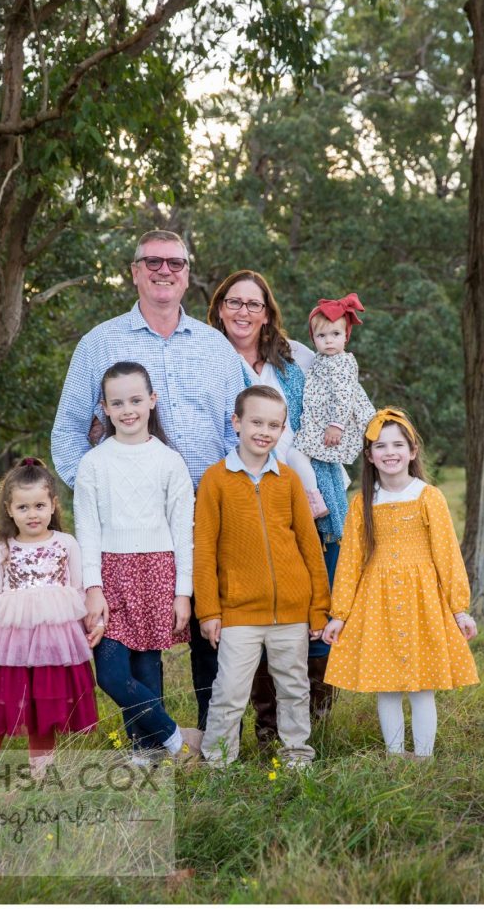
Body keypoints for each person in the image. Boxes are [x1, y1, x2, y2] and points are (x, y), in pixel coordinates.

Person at [52, 230, 244, 730]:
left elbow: (235, 430)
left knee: (211, 629)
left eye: (175, 263)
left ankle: (214, 740)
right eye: (152, 261)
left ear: (187, 274)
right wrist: (98, 491)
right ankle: (153, 742)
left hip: (206, 511)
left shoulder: (216, 347)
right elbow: (69, 429)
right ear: (134, 271)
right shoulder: (100, 343)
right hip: (124, 527)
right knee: (131, 642)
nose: (164, 270)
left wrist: (232, 501)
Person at [207, 270, 339, 740]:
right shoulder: (209, 357)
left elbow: (336, 396)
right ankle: (267, 726)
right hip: (245, 493)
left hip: (311, 489)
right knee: (259, 612)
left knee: (312, 602)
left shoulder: (295, 358)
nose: (244, 312)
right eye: (235, 302)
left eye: (254, 304)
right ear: (220, 307)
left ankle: (310, 720)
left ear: (267, 313)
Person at [322, 408, 480, 758]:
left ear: (412, 451)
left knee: (422, 685)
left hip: (422, 601)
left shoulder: (428, 497)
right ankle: (396, 756)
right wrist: (340, 615)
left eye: (397, 445)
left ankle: (422, 757)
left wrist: (459, 610)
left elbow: (447, 555)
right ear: (369, 455)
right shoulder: (363, 503)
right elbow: (350, 562)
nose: (389, 452)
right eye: (380, 446)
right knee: (386, 685)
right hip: (376, 601)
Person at [194, 385, 330, 767]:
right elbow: (203, 550)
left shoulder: (288, 481)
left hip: (291, 610)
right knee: (230, 692)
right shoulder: (215, 481)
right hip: (238, 611)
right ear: (236, 422)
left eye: (274, 425)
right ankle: (219, 762)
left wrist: (319, 607)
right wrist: (208, 611)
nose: (264, 431)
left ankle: (296, 757)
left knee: (294, 688)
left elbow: (309, 547)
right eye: (256, 421)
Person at [74, 361, 202, 764]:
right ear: (105, 409)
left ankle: (144, 750)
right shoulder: (94, 463)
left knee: (148, 666)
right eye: (117, 402)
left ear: (152, 400)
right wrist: (92, 587)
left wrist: (184, 592)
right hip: (109, 573)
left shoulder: (169, 461)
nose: (127, 409)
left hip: (157, 572)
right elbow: (87, 529)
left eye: (135, 399)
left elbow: (184, 531)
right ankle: (176, 740)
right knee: (111, 673)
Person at [0, 457, 99, 778]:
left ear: (53, 505)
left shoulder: (66, 545)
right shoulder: (4, 548)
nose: (33, 514)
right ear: (10, 509)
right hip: (8, 645)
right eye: (23, 507)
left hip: (54, 645)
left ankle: (42, 774)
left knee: (45, 706)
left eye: (39, 505)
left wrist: (93, 627)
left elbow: (80, 591)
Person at [292, 293, 376, 516]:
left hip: (331, 424)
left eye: (336, 334)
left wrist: (336, 425)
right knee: (297, 457)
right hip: (318, 421)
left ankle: (314, 501)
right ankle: (316, 497)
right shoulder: (321, 360)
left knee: (295, 455)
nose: (329, 340)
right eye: (321, 335)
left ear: (346, 337)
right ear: (313, 339)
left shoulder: (341, 362)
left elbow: (343, 395)